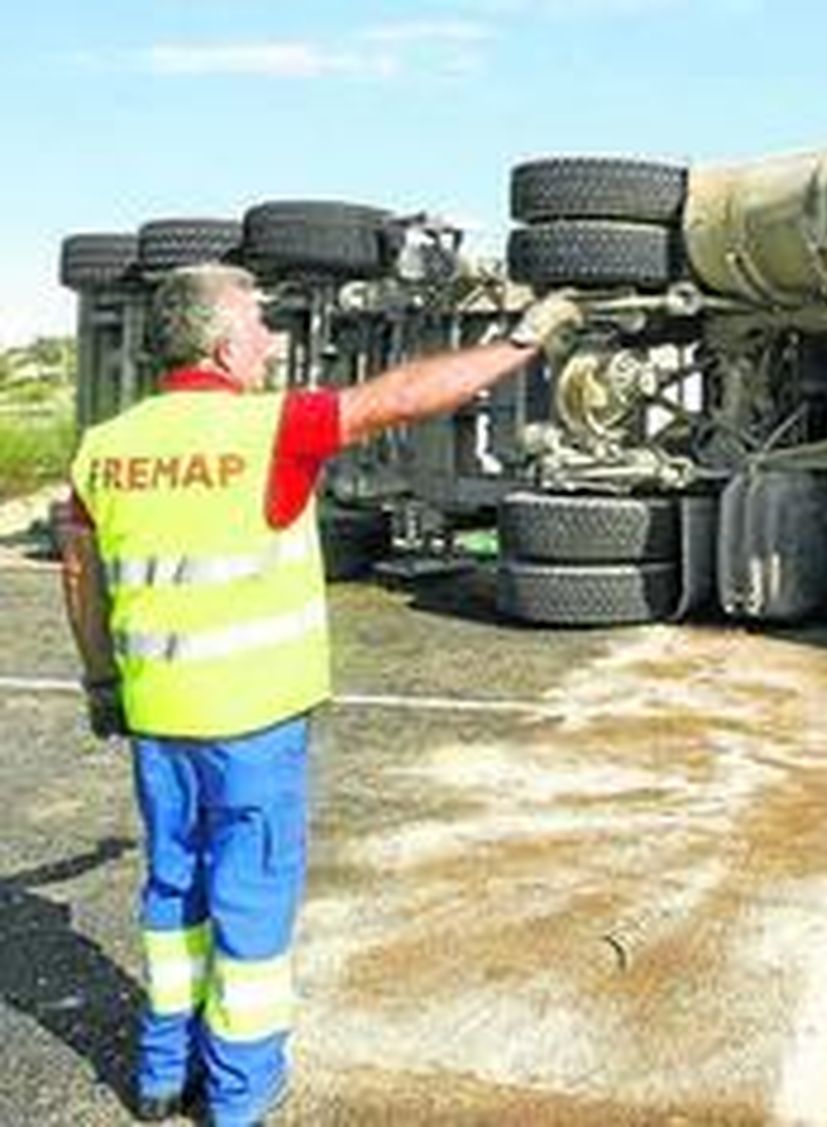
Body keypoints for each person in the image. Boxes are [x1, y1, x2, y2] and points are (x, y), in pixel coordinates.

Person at [57, 263, 581, 1126]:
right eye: (260, 326)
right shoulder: (271, 429)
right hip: (253, 723)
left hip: (157, 716)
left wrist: (101, 679)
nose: (271, 340)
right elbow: (402, 396)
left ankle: (158, 1073)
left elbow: (81, 575)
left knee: (172, 890)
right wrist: (520, 343)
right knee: (252, 901)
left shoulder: (104, 448)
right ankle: (240, 1091)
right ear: (224, 345)